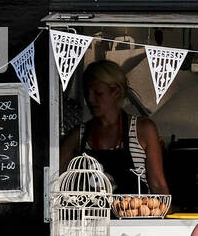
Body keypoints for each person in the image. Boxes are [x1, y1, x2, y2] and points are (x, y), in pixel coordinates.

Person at [59, 60, 169, 194]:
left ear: (116, 92)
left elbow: (157, 185)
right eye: (87, 93)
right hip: (93, 214)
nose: (90, 100)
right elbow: (55, 178)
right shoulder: (79, 135)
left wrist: (166, 213)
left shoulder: (143, 130)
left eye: (98, 93)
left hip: (136, 214)